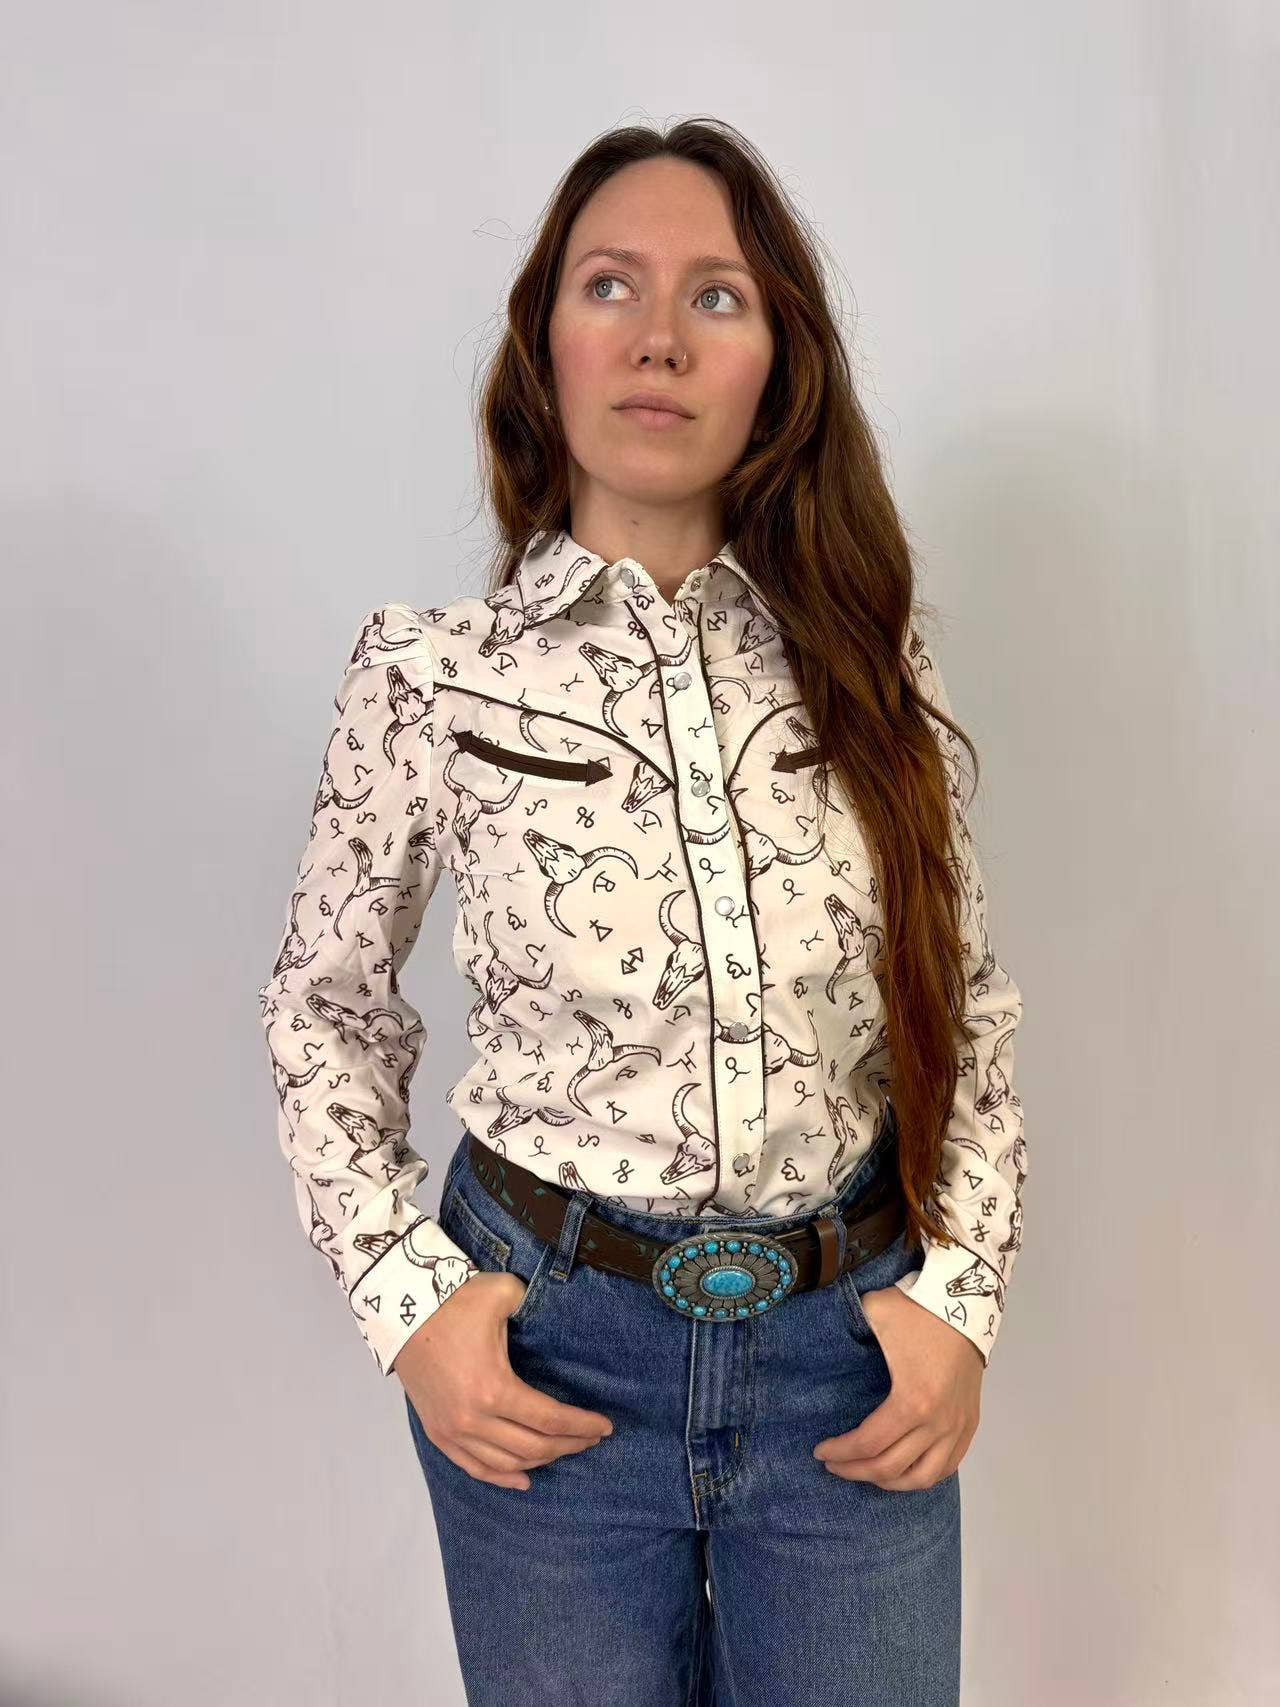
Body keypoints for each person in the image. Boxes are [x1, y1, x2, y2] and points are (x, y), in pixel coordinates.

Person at [256, 117, 1026, 1707]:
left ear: (778, 365)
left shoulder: (874, 672)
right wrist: (414, 1309)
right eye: (611, 286)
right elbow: (326, 1011)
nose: (660, 336)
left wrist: (961, 1301)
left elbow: (972, 1005)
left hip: (850, 1365)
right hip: (548, 1359)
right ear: (547, 343)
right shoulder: (430, 674)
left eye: (718, 298)